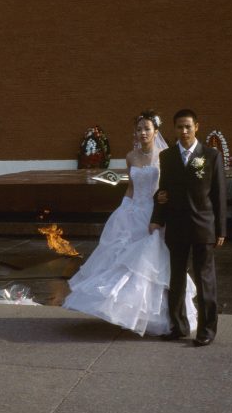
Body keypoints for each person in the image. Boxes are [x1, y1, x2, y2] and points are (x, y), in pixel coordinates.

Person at [63, 111, 197, 336]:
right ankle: (123, 312)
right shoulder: (130, 157)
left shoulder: (166, 155)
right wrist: (124, 208)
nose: (143, 133)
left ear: (156, 132)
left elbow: (168, 187)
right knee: (120, 259)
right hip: (133, 211)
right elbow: (131, 186)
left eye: (147, 129)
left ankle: (161, 317)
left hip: (155, 214)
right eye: (139, 129)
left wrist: (161, 214)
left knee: (150, 265)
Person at [150, 108, 227, 347]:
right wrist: (158, 215)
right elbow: (164, 191)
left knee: (206, 280)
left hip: (204, 226)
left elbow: (219, 194)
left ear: (197, 127)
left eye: (188, 127)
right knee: (176, 280)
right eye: (180, 127)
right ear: (174, 129)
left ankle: (206, 330)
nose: (184, 131)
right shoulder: (168, 157)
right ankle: (178, 326)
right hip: (176, 226)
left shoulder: (211, 156)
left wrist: (221, 229)